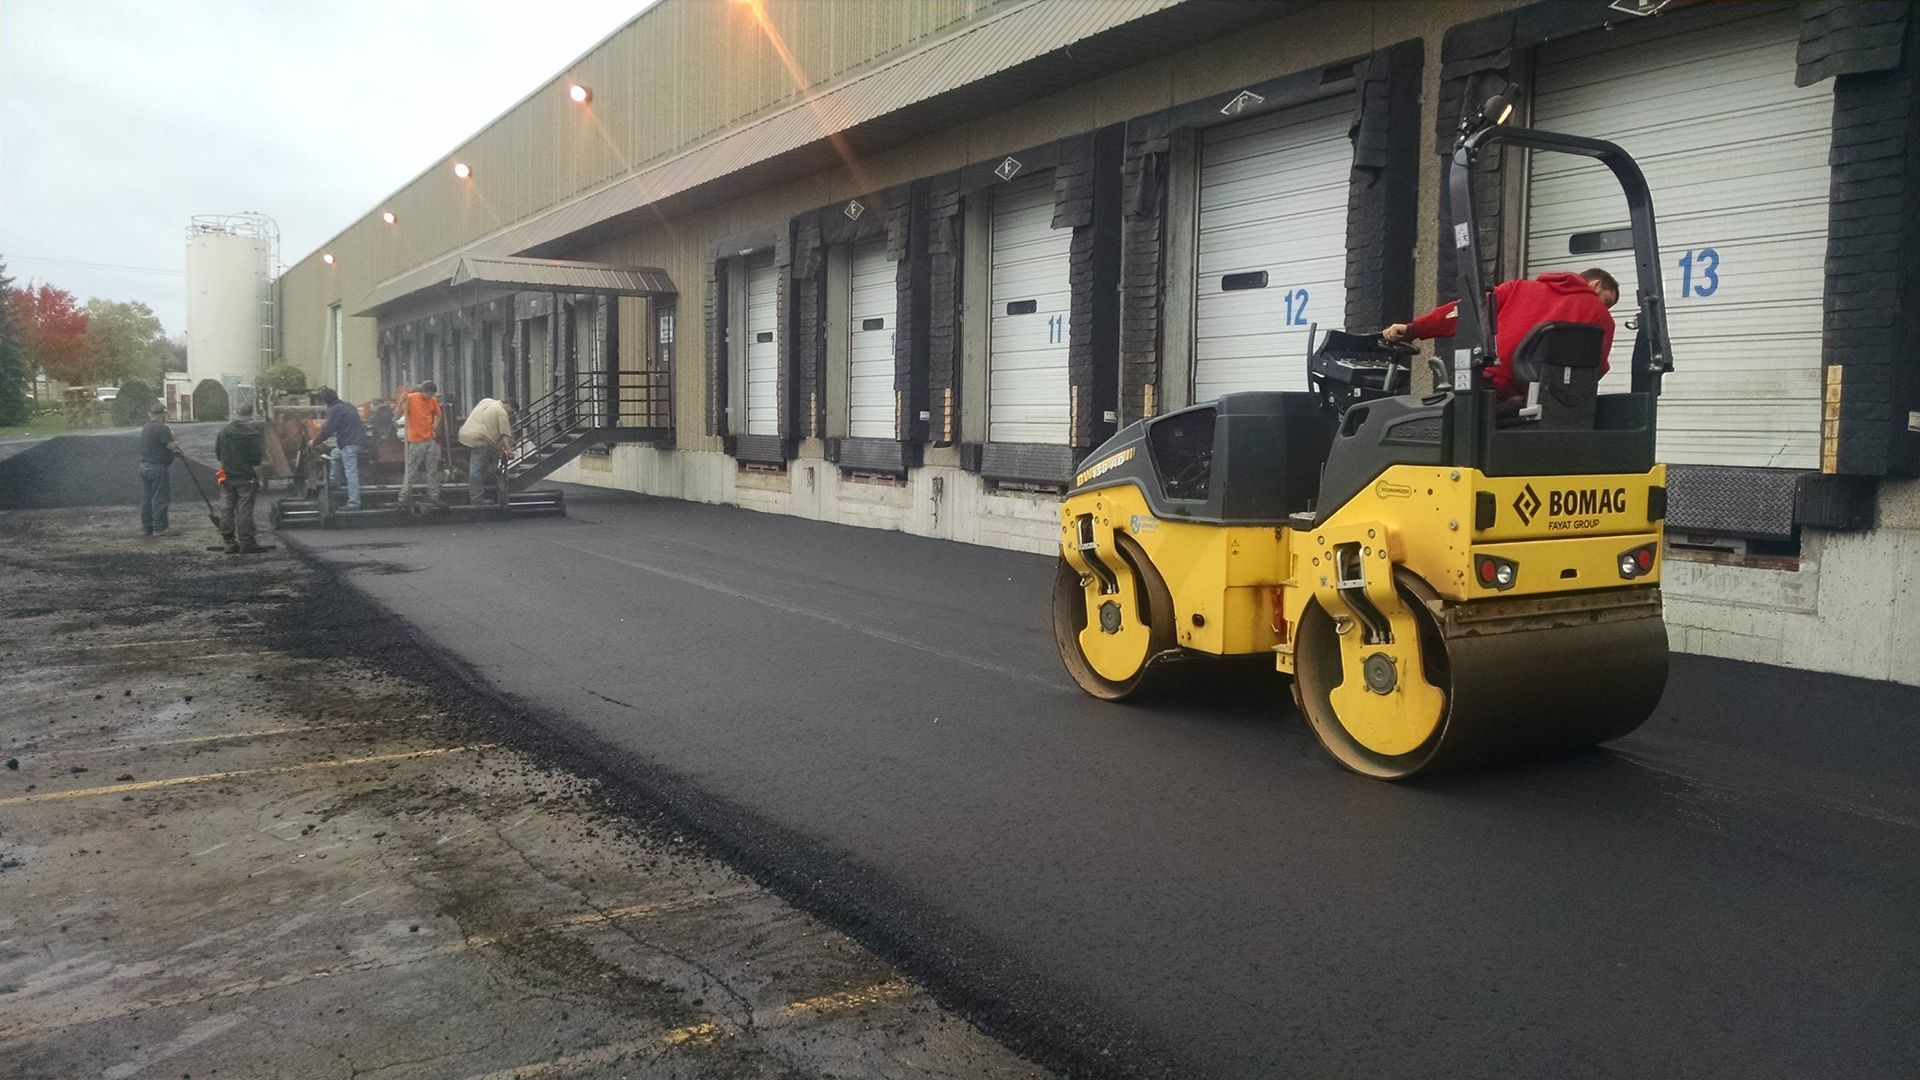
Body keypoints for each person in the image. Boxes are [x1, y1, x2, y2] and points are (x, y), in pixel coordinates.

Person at [1384, 267, 1620, 403]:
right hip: (1549, 399)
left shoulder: (1519, 288)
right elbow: (1595, 368)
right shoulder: (1601, 317)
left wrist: (1414, 329)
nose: (1605, 308)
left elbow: (1465, 312)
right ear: (1596, 284)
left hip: (1494, 388)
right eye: (1607, 302)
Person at [215, 399, 267, 554]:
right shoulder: (252, 435)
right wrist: (260, 479)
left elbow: (219, 457)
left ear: (235, 413)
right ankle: (247, 542)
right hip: (246, 477)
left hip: (227, 476)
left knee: (226, 508)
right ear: (251, 415)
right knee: (244, 510)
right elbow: (256, 462)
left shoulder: (223, 432)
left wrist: (221, 477)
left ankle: (229, 542)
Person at [458, 397, 517, 506]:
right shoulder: (502, 412)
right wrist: (509, 451)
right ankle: (476, 499)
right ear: (508, 406)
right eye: (511, 412)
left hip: (465, 435)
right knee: (476, 469)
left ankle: (478, 491)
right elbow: (505, 436)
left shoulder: (486, 401)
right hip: (480, 439)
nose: (510, 414)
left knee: (480, 465)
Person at [312, 387, 364, 510]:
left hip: (349, 444)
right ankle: (334, 482)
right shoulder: (348, 406)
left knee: (351, 473)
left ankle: (354, 503)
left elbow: (328, 431)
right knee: (335, 455)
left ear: (326, 402)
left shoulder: (334, 410)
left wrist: (314, 442)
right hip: (357, 442)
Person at [397, 380, 444, 508]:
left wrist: (434, 425)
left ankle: (433, 497)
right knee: (411, 471)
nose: (430, 397)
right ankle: (403, 498)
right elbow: (398, 414)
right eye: (428, 394)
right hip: (416, 441)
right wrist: (401, 402)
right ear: (423, 391)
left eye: (432, 395)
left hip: (430, 440)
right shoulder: (411, 398)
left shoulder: (432, 400)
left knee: (432, 470)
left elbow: (438, 414)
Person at [138, 401, 178, 536]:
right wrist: (175, 441)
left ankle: (147, 527)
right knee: (160, 498)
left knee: (147, 498)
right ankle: (160, 528)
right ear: (162, 415)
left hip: (144, 466)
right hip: (157, 467)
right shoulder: (162, 428)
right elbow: (171, 446)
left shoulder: (146, 427)